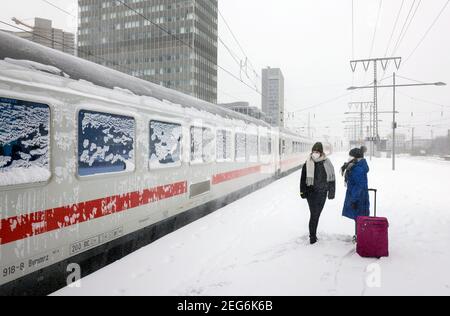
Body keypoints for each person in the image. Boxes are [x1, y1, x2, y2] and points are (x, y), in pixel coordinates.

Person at [300, 142, 336, 245]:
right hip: (311, 194)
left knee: (317, 214)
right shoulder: (307, 164)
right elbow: (302, 179)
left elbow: (332, 179)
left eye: (317, 152)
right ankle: (312, 236)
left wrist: (331, 192)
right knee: (314, 214)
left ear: (321, 152)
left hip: (322, 193)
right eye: (313, 151)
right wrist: (302, 192)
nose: (315, 153)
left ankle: (313, 234)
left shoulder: (327, 163)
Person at [341, 148, 370, 242]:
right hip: (359, 197)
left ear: (356, 158)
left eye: (351, 156)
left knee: (360, 218)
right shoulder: (357, 166)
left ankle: (360, 237)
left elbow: (359, 186)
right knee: (359, 218)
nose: (349, 158)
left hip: (358, 198)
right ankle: (360, 236)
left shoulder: (357, 169)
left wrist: (354, 200)